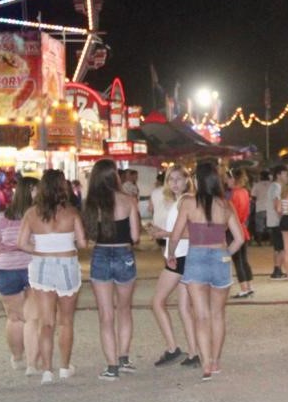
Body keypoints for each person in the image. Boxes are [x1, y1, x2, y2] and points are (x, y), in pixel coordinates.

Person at [168, 160, 245, 380]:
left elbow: (175, 235)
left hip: (196, 258)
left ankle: (205, 365)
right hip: (219, 258)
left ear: (197, 181)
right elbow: (239, 239)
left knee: (201, 316)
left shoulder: (189, 203)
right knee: (218, 315)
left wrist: (172, 254)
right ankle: (216, 361)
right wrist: (226, 254)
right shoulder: (225, 205)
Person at [17, 169, 87, 384]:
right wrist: (66, 244)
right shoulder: (72, 212)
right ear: (63, 187)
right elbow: (83, 243)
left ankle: (47, 370)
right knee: (66, 321)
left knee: (46, 322)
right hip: (67, 265)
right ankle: (65, 367)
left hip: (41, 267)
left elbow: (21, 243)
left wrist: (40, 250)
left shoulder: (31, 213)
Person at [83, 159, 142, 380]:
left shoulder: (90, 204)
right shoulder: (128, 201)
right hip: (124, 254)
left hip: (100, 255)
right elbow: (135, 237)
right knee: (124, 309)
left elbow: (88, 235)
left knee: (105, 315)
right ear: (114, 176)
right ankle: (124, 358)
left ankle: (111, 367)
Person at [148, 165, 200, 366]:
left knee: (157, 302)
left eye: (179, 178)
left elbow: (191, 233)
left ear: (188, 179)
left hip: (179, 256)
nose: (174, 183)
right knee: (184, 307)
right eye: (171, 179)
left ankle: (173, 348)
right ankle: (193, 353)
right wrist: (165, 233)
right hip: (183, 254)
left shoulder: (186, 200)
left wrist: (165, 235)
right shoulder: (181, 201)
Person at [0, 174, 40, 374]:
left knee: (14, 318)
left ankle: (17, 358)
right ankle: (32, 362)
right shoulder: (37, 217)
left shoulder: (0, 219)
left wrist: (7, 248)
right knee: (32, 318)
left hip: (6, 269)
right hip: (33, 267)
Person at [227, 168, 254, 298]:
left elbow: (230, 214)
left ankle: (243, 288)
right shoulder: (244, 192)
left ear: (233, 179)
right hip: (243, 228)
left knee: (237, 260)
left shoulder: (232, 194)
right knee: (244, 259)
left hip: (233, 229)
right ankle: (249, 286)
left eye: (228, 178)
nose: (227, 181)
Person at [266, 165, 286, 278]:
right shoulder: (277, 187)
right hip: (277, 221)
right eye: (284, 174)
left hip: (272, 220)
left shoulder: (273, 186)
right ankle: (277, 269)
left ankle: (277, 268)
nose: (286, 176)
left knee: (277, 247)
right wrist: (284, 216)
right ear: (278, 175)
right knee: (282, 247)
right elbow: (277, 205)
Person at [250, 171, 271, 245]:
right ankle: (271, 242)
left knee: (259, 226)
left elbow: (253, 197)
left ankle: (259, 242)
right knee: (270, 226)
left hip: (260, 208)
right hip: (270, 208)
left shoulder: (257, 185)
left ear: (261, 176)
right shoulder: (271, 185)